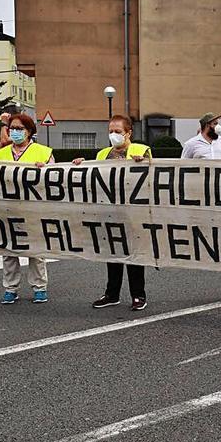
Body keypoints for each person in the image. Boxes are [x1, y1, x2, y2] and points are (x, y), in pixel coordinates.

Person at [76, 115, 151, 311]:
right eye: (111, 131)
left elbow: (153, 176)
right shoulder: (103, 154)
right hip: (108, 212)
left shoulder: (141, 150)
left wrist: (143, 163)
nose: (113, 135)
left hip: (133, 213)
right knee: (112, 254)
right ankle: (112, 294)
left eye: (118, 131)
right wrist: (80, 165)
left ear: (128, 133)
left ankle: (138, 295)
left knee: (133, 255)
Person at [0, 113, 53, 304]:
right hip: (6, 209)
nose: (14, 132)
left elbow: (55, 179)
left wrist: (45, 170)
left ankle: (39, 287)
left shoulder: (43, 152)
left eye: (19, 129)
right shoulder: (0, 154)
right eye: (12, 128)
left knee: (36, 251)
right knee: (8, 251)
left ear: (30, 131)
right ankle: (10, 288)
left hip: (33, 209)